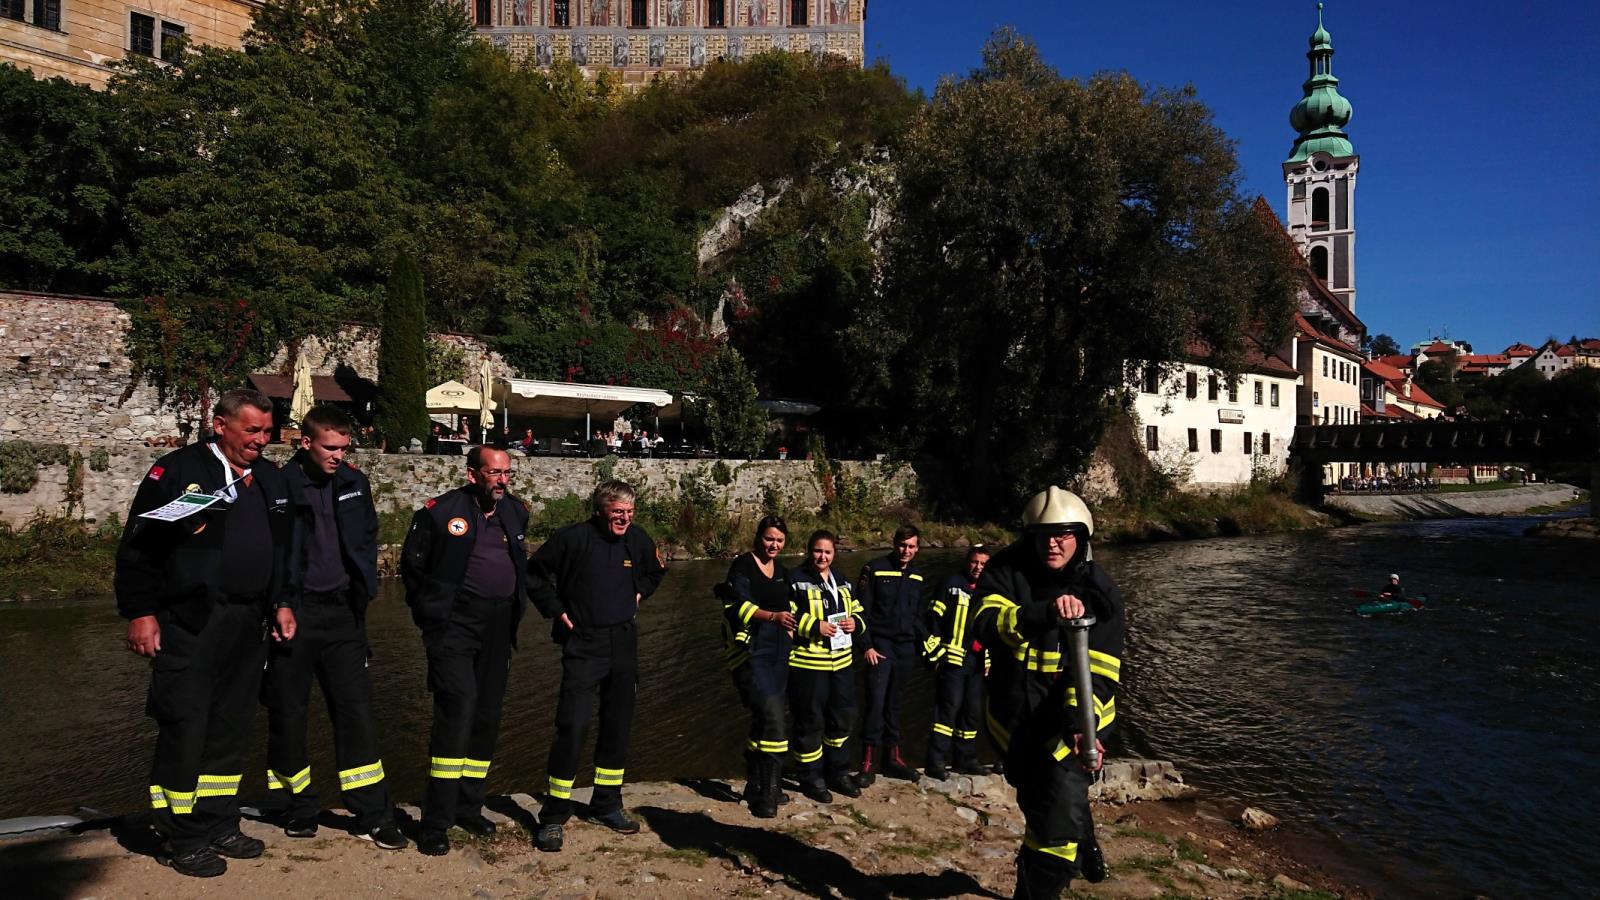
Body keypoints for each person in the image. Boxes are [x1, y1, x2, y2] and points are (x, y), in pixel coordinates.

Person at [116, 388, 293, 878]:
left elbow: (282, 547)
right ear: (221, 425)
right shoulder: (176, 471)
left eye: (266, 431)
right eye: (252, 431)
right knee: (185, 726)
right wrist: (140, 612)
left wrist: (280, 602)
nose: (262, 440)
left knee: (229, 726)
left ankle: (218, 821)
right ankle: (181, 834)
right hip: (191, 619)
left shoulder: (270, 479)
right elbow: (139, 548)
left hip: (247, 620)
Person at [261, 406, 405, 850]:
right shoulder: (278, 485)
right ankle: (299, 807)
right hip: (294, 614)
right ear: (305, 443)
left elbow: (365, 537)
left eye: (345, 447)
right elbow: (268, 552)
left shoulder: (353, 483)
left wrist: (361, 592)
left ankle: (374, 814)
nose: (339, 455)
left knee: (356, 713)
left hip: (343, 614)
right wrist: (278, 604)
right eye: (331, 447)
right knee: (289, 713)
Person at [974, 487, 1124, 899]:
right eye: (1043, 535)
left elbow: (1099, 671)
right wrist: (1041, 612)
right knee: (1040, 798)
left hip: (1069, 728)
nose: (1052, 544)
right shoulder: (1006, 571)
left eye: (1063, 535)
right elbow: (985, 623)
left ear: (1082, 537)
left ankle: (1039, 886)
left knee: (1052, 827)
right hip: (1015, 720)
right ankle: (1086, 842)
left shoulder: (1100, 594)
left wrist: (1081, 726)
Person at [401, 446, 531, 857]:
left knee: (487, 715)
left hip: (498, 625)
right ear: (473, 473)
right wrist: (431, 619)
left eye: (506, 473)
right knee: (457, 711)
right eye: (494, 473)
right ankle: (435, 820)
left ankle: (469, 805)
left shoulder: (515, 511)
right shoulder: (440, 512)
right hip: (454, 626)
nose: (502, 480)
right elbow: (413, 568)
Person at [528, 480, 666, 852]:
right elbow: (534, 574)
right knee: (572, 725)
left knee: (617, 725)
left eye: (630, 511)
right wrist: (556, 611)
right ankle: (554, 815)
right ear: (601, 509)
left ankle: (607, 803)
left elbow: (655, 571)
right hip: (583, 643)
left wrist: (640, 591)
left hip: (623, 642)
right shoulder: (572, 538)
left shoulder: (637, 539)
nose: (625, 517)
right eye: (618, 511)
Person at [716, 517, 794, 817]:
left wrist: (791, 623)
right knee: (773, 718)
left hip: (776, 653)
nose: (773, 545)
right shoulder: (743, 566)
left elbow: (792, 603)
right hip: (748, 654)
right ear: (758, 538)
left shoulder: (782, 572)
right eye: (769, 539)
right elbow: (737, 604)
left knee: (766, 718)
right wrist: (772, 618)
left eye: (779, 540)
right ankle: (770, 791)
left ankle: (754, 784)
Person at [786, 530, 865, 803]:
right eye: (818, 551)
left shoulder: (842, 581)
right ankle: (811, 777)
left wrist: (856, 623)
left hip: (841, 664)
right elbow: (786, 618)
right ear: (810, 551)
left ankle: (838, 772)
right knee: (810, 722)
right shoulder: (794, 580)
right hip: (808, 665)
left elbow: (859, 612)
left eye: (827, 552)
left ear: (834, 555)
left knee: (842, 719)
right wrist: (813, 626)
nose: (822, 556)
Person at [854, 524, 928, 785]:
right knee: (875, 703)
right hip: (880, 647)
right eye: (902, 545)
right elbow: (859, 611)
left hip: (905, 649)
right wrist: (866, 646)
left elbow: (919, 617)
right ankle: (867, 763)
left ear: (917, 548)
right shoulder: (874, 569)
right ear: (894, 544)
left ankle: (893, 758)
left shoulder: (918, 576)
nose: (906, 551)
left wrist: (926, 646)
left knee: (895, 704)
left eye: (911, 546)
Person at [923, 544, 993, 780]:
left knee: (971, 712)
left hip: (977, 662)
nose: (978, 568)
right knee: (947, 712)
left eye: (983, 564)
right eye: (975, 562)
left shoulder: (990, 591)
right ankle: (936, 762)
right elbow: (932, 620)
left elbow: (992, 628)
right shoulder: (951, 584)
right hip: (952, 661)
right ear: (967, 562)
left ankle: (966, 759)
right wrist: (934, 655)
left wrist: (989, 658)